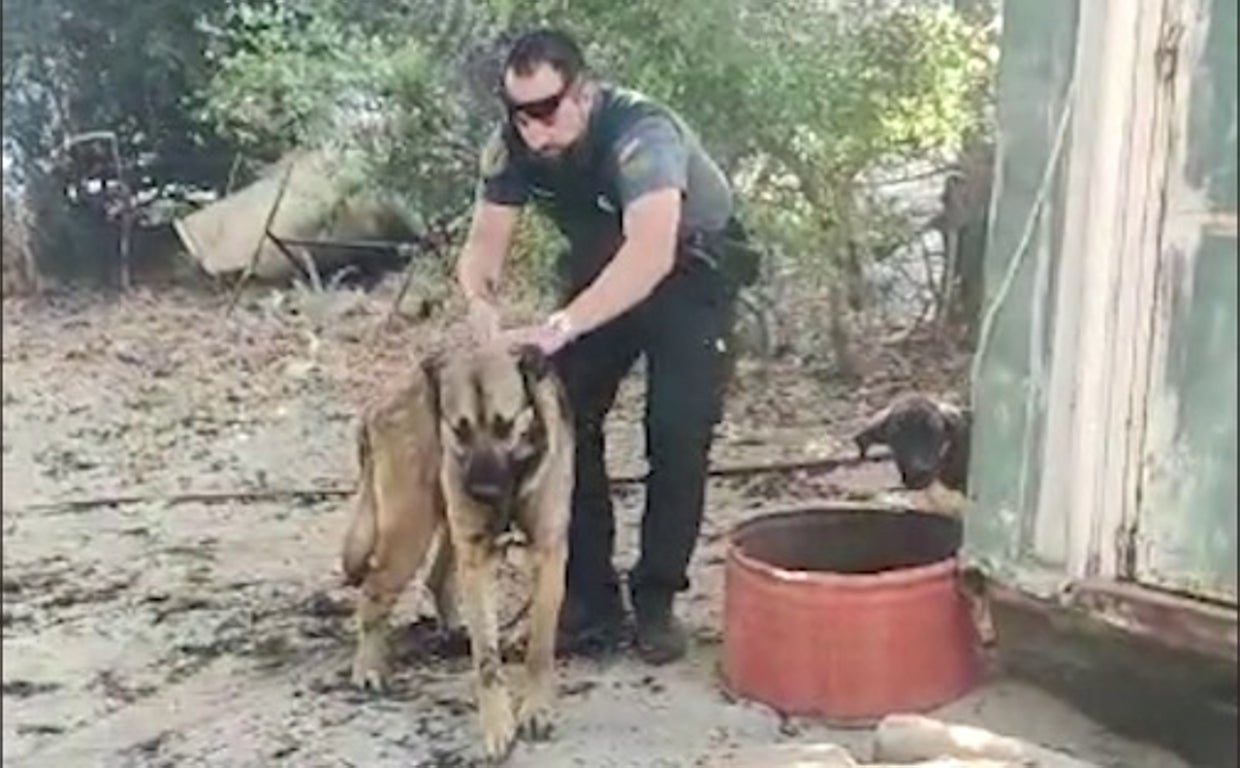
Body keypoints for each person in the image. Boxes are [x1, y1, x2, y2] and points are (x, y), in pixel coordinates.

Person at [454, 27, 752, 665]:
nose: (532, 129)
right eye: (517, 113)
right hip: (599, 271)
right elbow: (483, 246)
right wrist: (481, 304)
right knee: (562, 415)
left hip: (688, 274)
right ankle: (590, 599)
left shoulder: (642, 133)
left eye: (545, 111)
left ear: (582, 93)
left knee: (677, 430)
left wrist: (563, 324)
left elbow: (649, 253)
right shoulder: (511, 147)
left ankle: (656, 600)